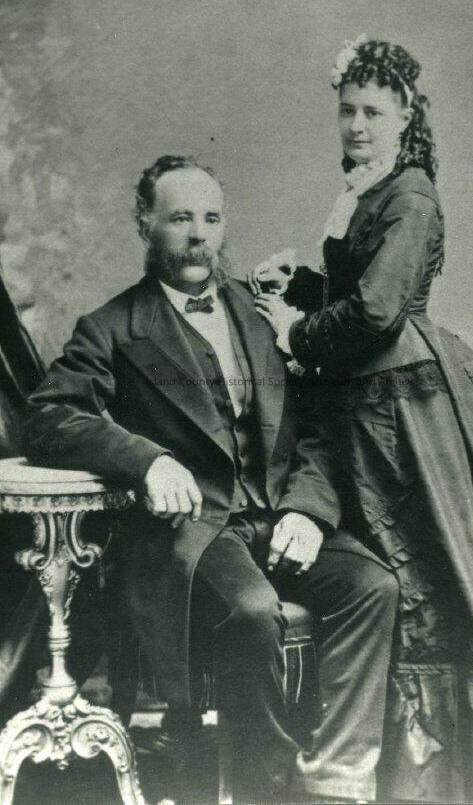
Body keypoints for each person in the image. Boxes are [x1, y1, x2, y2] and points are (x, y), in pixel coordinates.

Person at [24, 155, 399, 804]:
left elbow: (314, 427)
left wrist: (308, 511)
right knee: (255, 615)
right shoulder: (113, 327)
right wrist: (147, 460)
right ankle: (264, 790)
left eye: (211, 218)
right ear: (146, 224)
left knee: (373, 588)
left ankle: (336, 781)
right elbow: (47, 415)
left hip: (278, 515)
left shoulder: (260, 312)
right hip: (195, 533)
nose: (199, 235)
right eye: (180, 219)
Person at [249, 36, 473, 803]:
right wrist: (302, 286)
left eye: (372, 112)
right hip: (366, 410)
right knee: (396, 580)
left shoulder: (411, 194)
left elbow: (377, 312)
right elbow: (356, 290)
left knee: (434, 583)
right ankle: (393, 773)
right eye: (347, 111)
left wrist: (295, 331)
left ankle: (462, 777)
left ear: (404, 116)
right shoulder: (370, 187)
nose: (357, 125)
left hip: (407, 416)